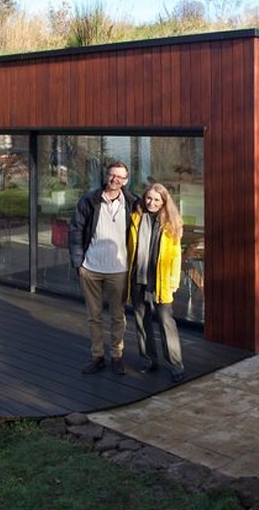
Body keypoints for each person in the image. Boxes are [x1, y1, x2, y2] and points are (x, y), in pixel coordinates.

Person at [69, 161, 137, 375]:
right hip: (91, 267)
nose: (115, 179)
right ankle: (97, 356)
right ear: (106, 176)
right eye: (112, 175)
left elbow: (156, 215)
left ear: (126, 180)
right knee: (94, 316)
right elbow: (75, 230)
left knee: (118, 316)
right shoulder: (90, 200)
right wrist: (79, 263)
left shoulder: (133, 203)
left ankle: (117, 356)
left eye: (120, 177)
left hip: (119, 269)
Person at [127, 182, 185, 382]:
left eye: (156, 200)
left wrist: (173, 281)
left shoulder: (172, 224)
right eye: (149, 198)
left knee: (165, 322)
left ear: (164, 202)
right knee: (142, 322)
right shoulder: (135, 218)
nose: (151, 202)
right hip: (138, 279)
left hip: (160, 281)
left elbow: (176, 256)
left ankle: (176, 364)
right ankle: (148, 360)